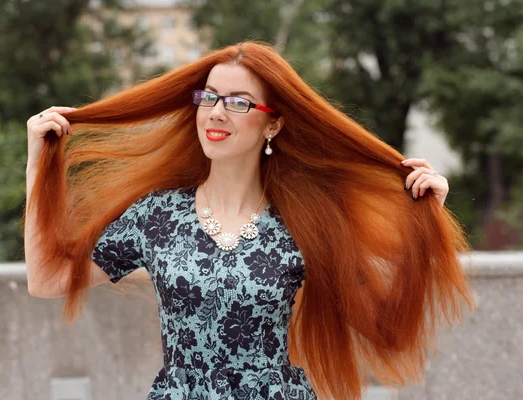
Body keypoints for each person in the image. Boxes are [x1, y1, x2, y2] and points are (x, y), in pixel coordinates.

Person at [24, 41, 474, 399]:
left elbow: (387, 327)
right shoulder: (156, 215)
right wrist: (35, 165)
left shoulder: (306, 225)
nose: (216, 112)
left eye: (238, 103)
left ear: (272, 125)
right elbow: (47, 279)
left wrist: (425, 216)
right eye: (210, 98)